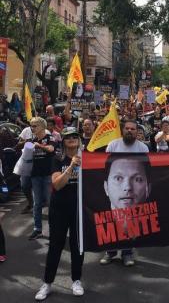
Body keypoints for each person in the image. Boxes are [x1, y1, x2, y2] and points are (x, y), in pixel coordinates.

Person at [35, 128, 84, 301]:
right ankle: (47, 283)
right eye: (68, 137)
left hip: (78, 209)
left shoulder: (87, 159)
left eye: (74, 136)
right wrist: (71, 166)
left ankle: (76, 280)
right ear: (62, 141)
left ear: (79, 140)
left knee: (78, 245)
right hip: (59, 208)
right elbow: (57, 184)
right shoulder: (57, 159)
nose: (71, 139)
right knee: (55, 245)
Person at [100, 119, 149, 266]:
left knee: (130, 222)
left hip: (133, 191)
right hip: (117, 190)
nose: (129, 131)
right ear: (122, 130)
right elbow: (105, 166)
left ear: (137, 131)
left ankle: (127, 253)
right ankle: (110, 252)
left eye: (133, 129)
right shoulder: (113, 145)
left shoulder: (143, 148)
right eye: (127, 128)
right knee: (114, 221)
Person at [28, 117, 56, 240]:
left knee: (51, 203)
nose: (32, 128)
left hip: (48, 175)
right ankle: (37, 229)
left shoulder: (50, 138)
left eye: (35, 126)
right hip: (35, 175)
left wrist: (39, 145)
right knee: (37, 204)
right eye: (31, 126)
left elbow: (51, 149)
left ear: (42, 126)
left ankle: (53, 230)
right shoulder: (32, 140)